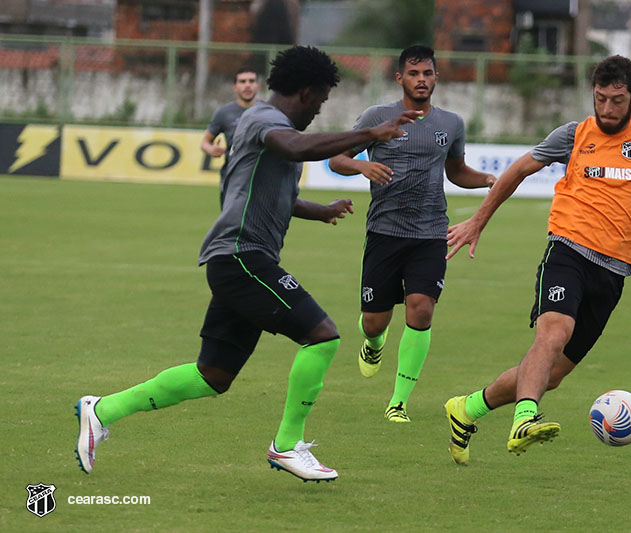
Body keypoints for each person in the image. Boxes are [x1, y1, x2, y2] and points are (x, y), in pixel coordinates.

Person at [74, 46, 419, 482]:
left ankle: (102, 410)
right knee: (323, 336)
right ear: (308, 91)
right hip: (241, 256)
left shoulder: (271, 128)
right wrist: (370, 135)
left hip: (238, 259)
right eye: (322, 101)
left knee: (212, 375)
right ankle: (287, 446)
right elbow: (295, 148)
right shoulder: (263, 120)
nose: (319, 110)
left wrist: (321, 210)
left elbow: (277, 195)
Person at [443, 55, 631, 465]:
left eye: (617, 101)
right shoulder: (574, 135)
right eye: (600, 99)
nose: (607, 109)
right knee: (553, 333)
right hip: (567, 249)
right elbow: (518, 169)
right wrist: (478, 221)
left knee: (551, 375)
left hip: (614, 271)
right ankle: (524, 419)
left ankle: (466, 409)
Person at [328, 45, 496, 423]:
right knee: (374, 321)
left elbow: (456, 172)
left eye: (428, 73)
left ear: (436, 77)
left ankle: (399, 401)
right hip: (384, 232)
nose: (422, 80)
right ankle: (373, 344)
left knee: (421, 310)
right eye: (414, 73)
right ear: (400, 78)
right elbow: (336, 159)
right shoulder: (378, 117)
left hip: (431, 232)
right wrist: (362, 167)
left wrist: (486, 180)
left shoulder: (450, 124)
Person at [201, 67, 260, 207]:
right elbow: (205, 142)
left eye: (251, 81)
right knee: (231, 225)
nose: (247, 85)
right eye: (242, 81)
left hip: (261, 178)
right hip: (232, 177)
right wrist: (211, 150)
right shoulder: (224, 113)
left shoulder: (268, 111)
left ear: (257, 86)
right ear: (235, 87)